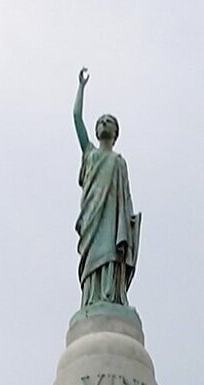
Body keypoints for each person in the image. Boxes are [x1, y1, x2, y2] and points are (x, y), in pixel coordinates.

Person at [72, 68, 140, 308]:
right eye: (100, 121)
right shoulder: (90, 154)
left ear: (115, 132)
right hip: (93, 219)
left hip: (112, 221)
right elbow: (76, 118)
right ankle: (93, 298)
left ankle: (111, 295)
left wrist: (128, 228)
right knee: (93, 259)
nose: (103, 123)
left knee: (110, 256)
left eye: (108, 121)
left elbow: (125, 199)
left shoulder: (119, 162)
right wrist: (81, 87)